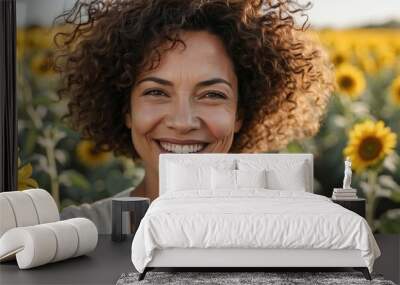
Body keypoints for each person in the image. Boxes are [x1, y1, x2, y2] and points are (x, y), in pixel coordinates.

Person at [54, 0, 334, 234]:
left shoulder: (283, 232)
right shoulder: (79, 232)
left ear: (240, 114)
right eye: (156, 92)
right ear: (126, 110)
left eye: (212, 95)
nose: (183, 121)